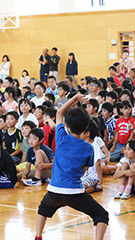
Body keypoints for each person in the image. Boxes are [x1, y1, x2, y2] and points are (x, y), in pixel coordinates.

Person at [35, 93, 108, 240]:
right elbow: (85, 170)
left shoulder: (61, 137)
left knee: (43, 209)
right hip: (75, 193)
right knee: (101, 215)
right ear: (86, 126)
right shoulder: (89, 148)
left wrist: (75, 98)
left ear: (66, 125)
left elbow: (59, 112)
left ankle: (38, 237)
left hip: (54, 190)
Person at [81, 119, 103, 194]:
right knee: (75, 188)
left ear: (87, 133)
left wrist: (100, 180)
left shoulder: (94, 146)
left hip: (93, 176)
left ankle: (94, 188)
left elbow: (98, 163)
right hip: (83, 176)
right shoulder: (82, 145)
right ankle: (94, 188)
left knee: (81, 189)